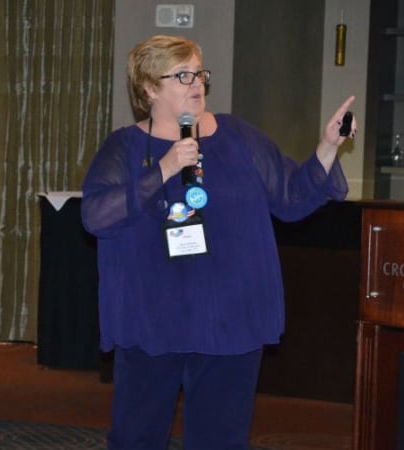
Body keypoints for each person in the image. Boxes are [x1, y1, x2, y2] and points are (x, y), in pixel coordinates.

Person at [81, 34, 356, 450]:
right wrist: (164, 169)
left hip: (229, 318)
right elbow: (96, 216)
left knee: (221, 440)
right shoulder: (124, 147)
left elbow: (291, 197)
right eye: (183, 76)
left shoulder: (237, 136)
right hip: (153, 319)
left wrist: (328, 147)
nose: (197, 84)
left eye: (199, 73)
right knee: (136, 438)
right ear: (150, 88)